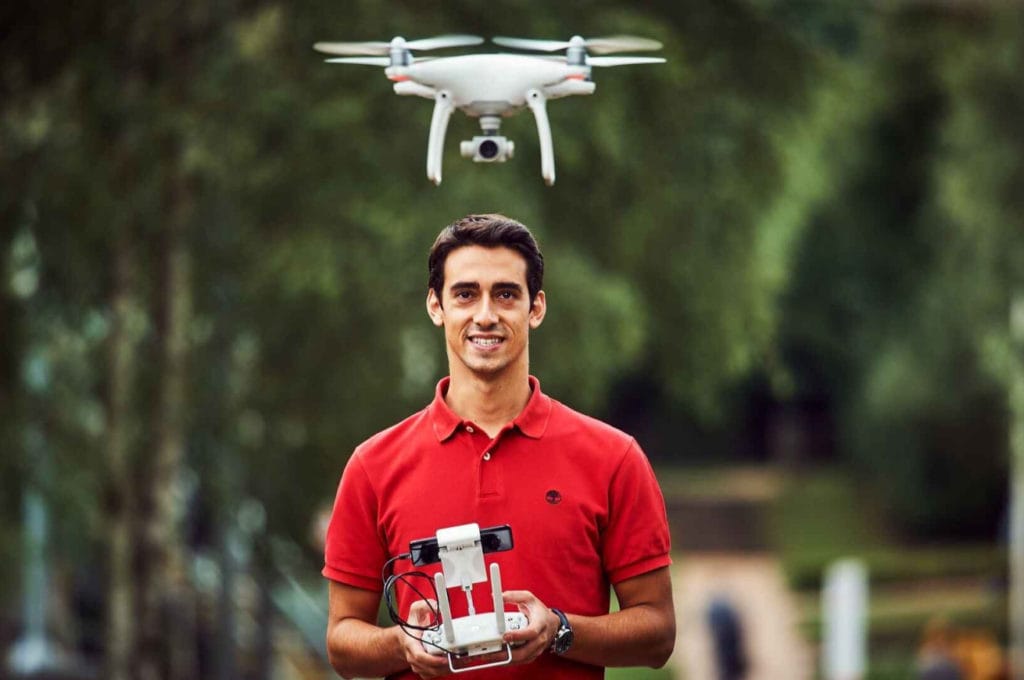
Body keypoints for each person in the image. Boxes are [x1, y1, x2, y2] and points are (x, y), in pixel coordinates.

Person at [322, 214, 675, 679]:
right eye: (465, 294)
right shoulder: (374, 465)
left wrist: (560, 631)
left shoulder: (614, 458)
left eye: (505, 294)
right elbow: (342, 640)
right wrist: (400, 644)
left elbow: (658, 633)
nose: (485, 315)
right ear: (436, 306)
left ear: (536, 308)